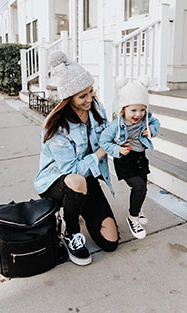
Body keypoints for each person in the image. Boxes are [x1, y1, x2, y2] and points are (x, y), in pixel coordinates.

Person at [34, 51, 119, 266]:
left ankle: (77, 206)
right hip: (58, 180)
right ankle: (71, 232)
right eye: (82, 96)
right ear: (68, 98)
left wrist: (126, 129)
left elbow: (108, 134)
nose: (90, 99)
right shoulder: (56, 127)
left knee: (110, 242)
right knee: (77, 181)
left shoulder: (96, 109)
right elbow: (72, 168)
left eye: (91, 91)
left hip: (86, 178)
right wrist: (102, 151)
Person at [99, 76, 160, 240]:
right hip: (125, 160)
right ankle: (133, 218)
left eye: (142, 110)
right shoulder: (116, 126)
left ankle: (137, 209)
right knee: (138, 186)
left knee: (144, 187)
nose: (138, 114)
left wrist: (152, 130)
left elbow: (156, 123)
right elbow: (103, 141)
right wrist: (118, 149)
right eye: (133, 110)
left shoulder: (146, 118)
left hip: (140, 157)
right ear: (123, 109)